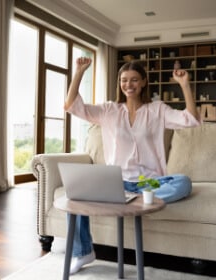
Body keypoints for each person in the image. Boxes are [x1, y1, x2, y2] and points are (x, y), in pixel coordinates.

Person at [64, 57, 201, 274]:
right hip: (116, 181)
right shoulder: (109, 110)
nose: (129, 85)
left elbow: (191, 119)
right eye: (124, 80)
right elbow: (72, 105)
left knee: (183, 182)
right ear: (119, 83)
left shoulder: (157, 110)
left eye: (134, 80)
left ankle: (132, 202)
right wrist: (79, 71)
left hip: (148, 183)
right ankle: (83, 252)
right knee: (75, 194)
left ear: (144, 82)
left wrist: (185, 85)